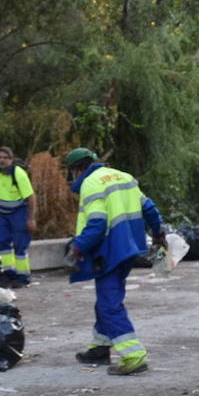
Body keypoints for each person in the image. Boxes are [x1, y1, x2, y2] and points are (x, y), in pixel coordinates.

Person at [65, 148, 166, 375]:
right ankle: (100, 347)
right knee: (107, 296)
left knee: (109, 304)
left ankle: (133, 355)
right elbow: (149, 208)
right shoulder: (124, 176)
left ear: (76, 170)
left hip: (108, 250)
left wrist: (78, 246)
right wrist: (158, 233)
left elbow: (98, 223)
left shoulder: (91, 183)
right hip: (130, 249)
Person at [0, 146, 36, 286]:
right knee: (2, 242)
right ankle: (9, 274)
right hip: (3, 214)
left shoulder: (18, 174)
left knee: (20, 245)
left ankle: (23, 277)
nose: (2, 160)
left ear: (11, 160)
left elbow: (31, 198)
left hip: (19, 212)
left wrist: (31, 219)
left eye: (5, 158)